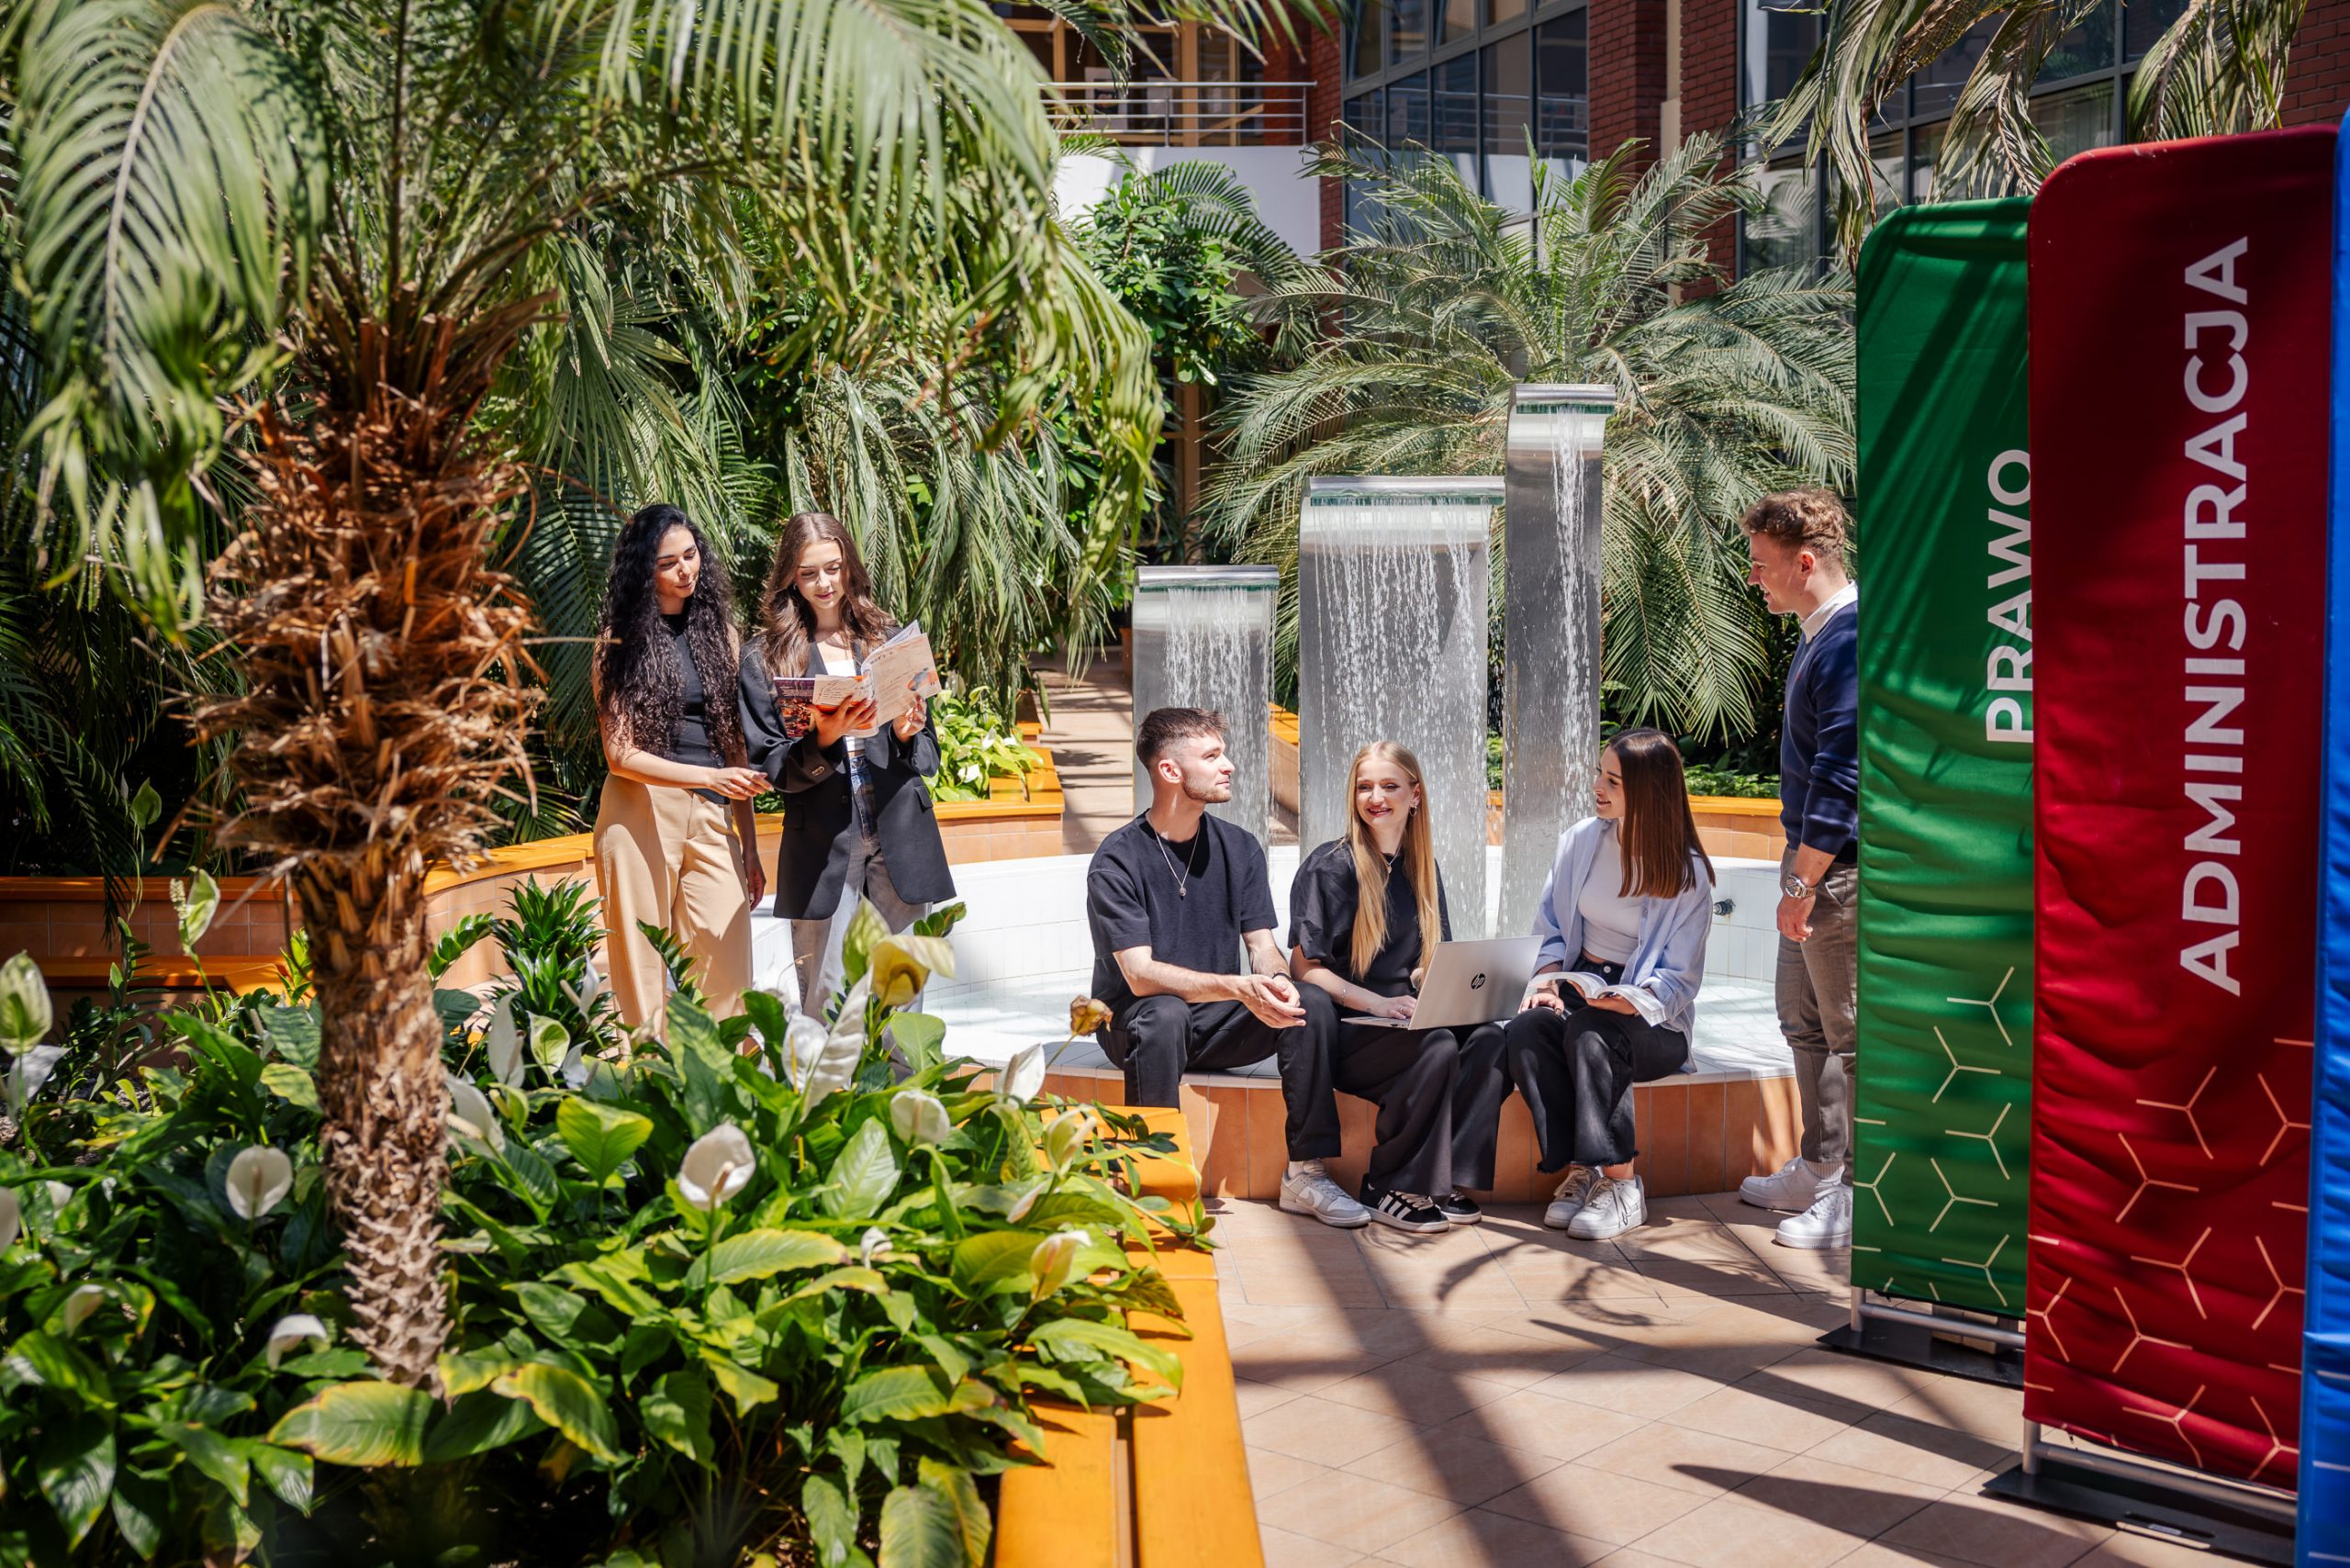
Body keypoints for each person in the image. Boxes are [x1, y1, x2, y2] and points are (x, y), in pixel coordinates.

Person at [1086, 707, 1365, 1228]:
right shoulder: (1118, 859)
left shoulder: (1240, 847)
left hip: (1215, 1023)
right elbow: (1139, 975)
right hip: (1136, 1024)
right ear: (1170, 770)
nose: (1229, 765)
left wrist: (1275, 982)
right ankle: (1154, 1181)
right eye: (1212, 756)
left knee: (1309, 1001)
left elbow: (1262, 945)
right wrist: (1236, 987)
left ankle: (1306, 1173)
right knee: (1164, 1013)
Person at [1288, 741, 1513, 1232]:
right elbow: (1304, 968)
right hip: (1350, 1031)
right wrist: (1378, 1003)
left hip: (1400, 1023)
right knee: (1436, 1044)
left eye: (1389, 786)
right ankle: (1388, 1184)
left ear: (1415, 795)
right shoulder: (1331, 867)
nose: (1375, 798)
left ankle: (1444, 1180)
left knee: (1491, 1039)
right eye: (1364, 787)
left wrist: (1453, 990)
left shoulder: (1421, 866)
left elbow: (1427, 963)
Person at [738, 511, 954, 1016]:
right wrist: (825, 737)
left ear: (849, 567)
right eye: (809, 572)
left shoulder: (886, 639)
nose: (825, 583)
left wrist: (907, 732)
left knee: (901, 996)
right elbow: (772, 768)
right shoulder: (764, 659)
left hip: (899, 828)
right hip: (824, 842)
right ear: (790, 577)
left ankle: (900, 1074)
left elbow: (928, 754)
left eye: (833, 568)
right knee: (827, 998)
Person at [1505, 729, 1715, 1239]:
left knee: (1593, 1031)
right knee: (1527, 1029)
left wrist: (1627, 1002)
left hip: (1652, 1019)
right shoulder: (1581, 841)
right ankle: (1582, 1170)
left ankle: (1622, 1185)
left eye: (1613, 781)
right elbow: (1549, 928)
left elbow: (1680, 981)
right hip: (1580, 984)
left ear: (1648, 791)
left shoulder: (1687, 874)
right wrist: (1547, 982)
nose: (1597, 786)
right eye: (1600, 774)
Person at [1738, 487, 1859, 1249]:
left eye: (1761, 564)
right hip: (1810, 863)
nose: (1753, 578)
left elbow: (1842, 777)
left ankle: (1857, 1193)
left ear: (1805, 562)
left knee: (1849, 1034)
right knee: (1802, 1018)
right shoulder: (1820, 636)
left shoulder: (1848, 640)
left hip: (1835, 869)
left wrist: (1803, 883)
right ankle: (1820, 1166)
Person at [591, 503, 767, 1030]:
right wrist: (709, 777)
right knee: (640, 980)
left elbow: (733, 745)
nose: (685, 570)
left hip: (711, 814)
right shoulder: (617, 643)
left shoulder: (723, 634)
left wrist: (750, 846)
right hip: (639, 810)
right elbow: (620, 754)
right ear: (644, 571)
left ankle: (722, 1077)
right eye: (668, 563)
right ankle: (644, 1077)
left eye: (690, 555)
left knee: (729, 978)